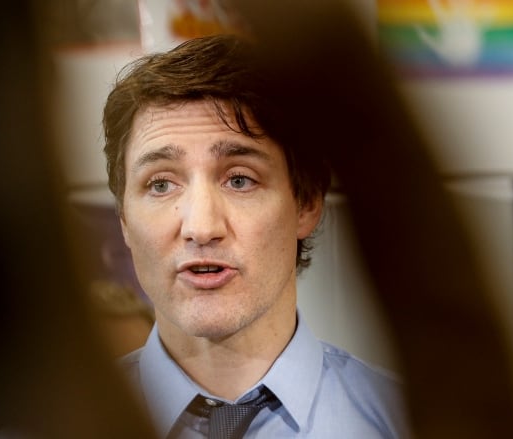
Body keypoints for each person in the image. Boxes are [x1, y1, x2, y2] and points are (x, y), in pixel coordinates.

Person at [101, 33, 411, 438]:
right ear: (124, 218)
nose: (200, 228)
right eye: (161, 185)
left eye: (240, 180)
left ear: (306, 204)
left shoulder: (413, 425)